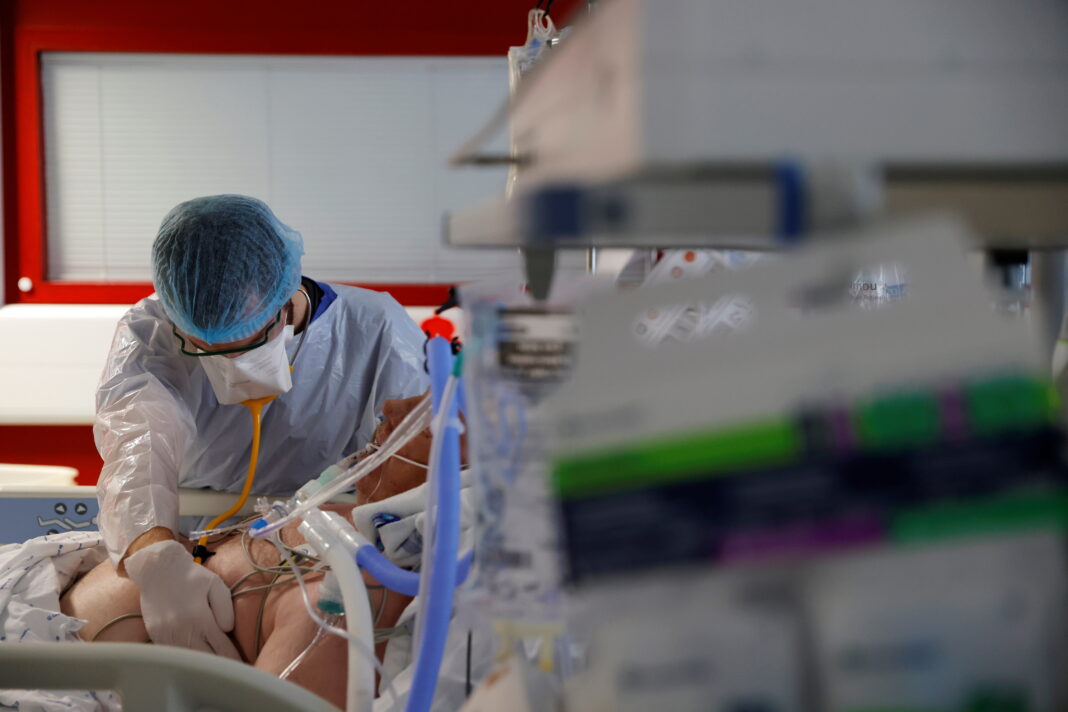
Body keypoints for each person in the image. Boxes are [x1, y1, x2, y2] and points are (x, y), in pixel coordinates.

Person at [93, 195, 428, 661]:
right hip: (187, 545)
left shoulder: (375, 330)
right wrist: (154, 560)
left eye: (250, 341)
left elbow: (410, 464)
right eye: (205, 348)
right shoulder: (154, 332)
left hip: (323, 549)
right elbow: (137, 445)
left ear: (283, 296)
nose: (232, 364)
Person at [61, 394, 438, 709]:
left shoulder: (358, 598)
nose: (392, 406)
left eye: (425, 424)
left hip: (47, 673)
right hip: (36, 589)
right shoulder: (350, 511)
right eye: (422, 395)